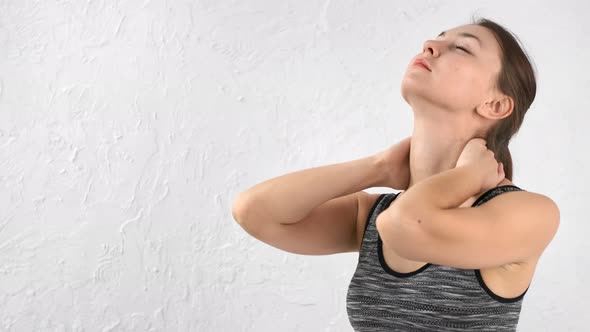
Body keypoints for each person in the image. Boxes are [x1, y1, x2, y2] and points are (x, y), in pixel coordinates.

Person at [232, 17, 560, 331]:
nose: (429, 45)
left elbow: (405, 226)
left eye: (462, 48)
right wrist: (379, 167)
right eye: (437, 38)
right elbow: (255, 212)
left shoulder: (530, 214)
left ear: (497, 105)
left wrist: (469, 178)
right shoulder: (375, 215)